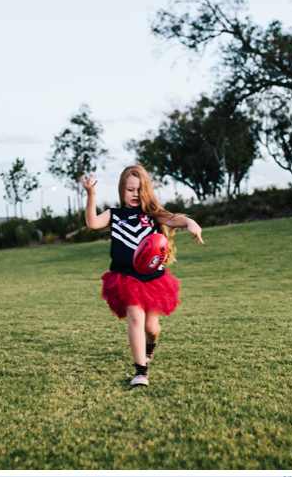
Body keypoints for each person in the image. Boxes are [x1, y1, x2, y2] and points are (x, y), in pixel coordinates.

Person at [82, 165, 205, 388]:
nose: (135, 194)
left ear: (146, 190)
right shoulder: (114, 214)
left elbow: (175, 219)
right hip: (125, 278)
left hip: (153, 279)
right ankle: (141, 370)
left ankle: (150, 346)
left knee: (151, 327)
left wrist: (191, 223)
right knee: (136, 318)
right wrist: (91, 195)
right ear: (122, 191)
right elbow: (92, 223)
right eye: (130, 190)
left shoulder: (153, 213)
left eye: (139, 190)